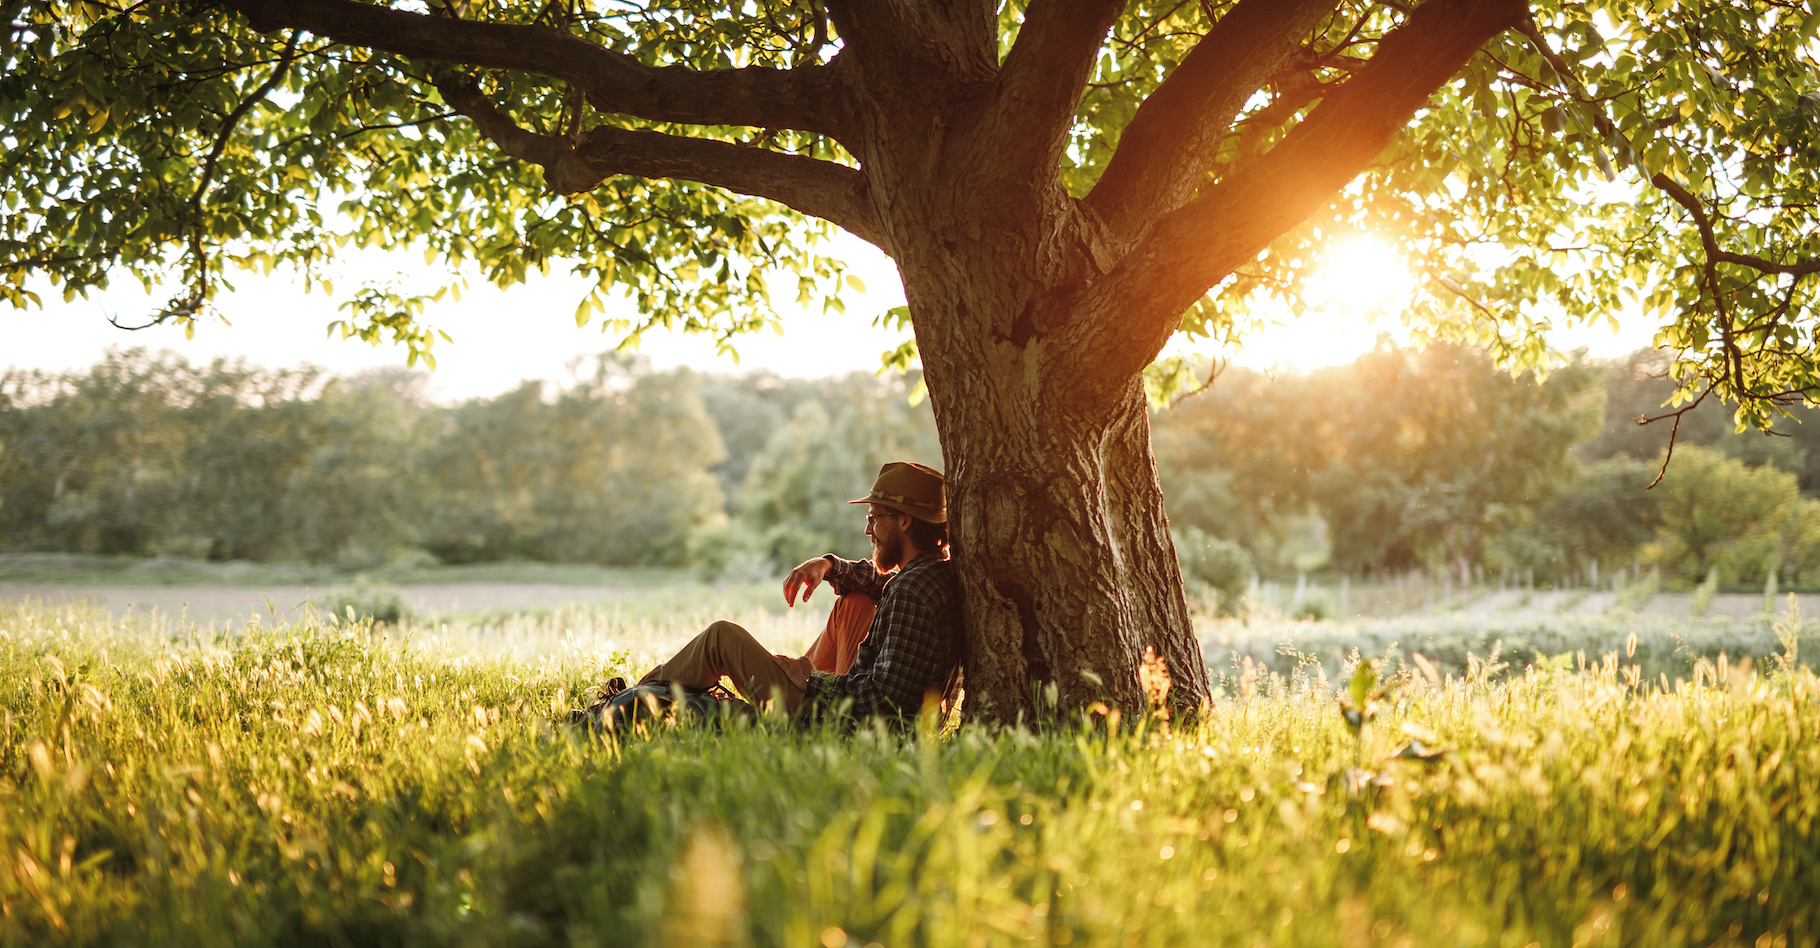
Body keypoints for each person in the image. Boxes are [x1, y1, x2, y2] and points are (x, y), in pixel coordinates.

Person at [627, 461, 963, 722]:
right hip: (853, 708)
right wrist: (829, 565)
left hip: (846, 722)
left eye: (874, 518)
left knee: (721, 638)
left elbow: (884, 701)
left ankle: (620, 708)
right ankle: (635, 700)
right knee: (856, 601)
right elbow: (877, 581)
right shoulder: (929, 575)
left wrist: (809, 678)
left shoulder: (910, 594)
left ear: (904, 522)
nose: (867, 529)